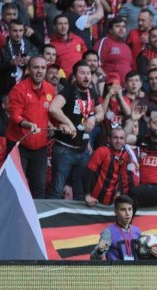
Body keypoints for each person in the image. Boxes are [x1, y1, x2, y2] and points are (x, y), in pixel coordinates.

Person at [48, 60, 104, 200]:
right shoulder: (68, 91)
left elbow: (101, 114)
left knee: (81, 192)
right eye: (82, 73)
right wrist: (68, 123)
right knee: (57, 190)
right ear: (75, 75)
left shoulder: (92, 92)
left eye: (89, 73)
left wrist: (93, 119)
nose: (86, 76)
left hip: (83, 150)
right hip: (64, 149)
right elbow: (53, 108)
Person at [6, 55, 56, 199]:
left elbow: (51, 114)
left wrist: (54, 125)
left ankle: (36, 220)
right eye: (36, 67)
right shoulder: (18, 89)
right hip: (18, 144)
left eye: (43, 67)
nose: (39, 71)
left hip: (40, 146)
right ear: (28, 70)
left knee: (39, 187)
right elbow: (15, 116)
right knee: (15, 186)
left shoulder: (50, 89)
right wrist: (29, 125)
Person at [90, 194, 157, 260]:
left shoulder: (137, 231)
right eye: (123, 210)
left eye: (130, 209)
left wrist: (155, 256)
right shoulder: (108, 232)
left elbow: (142, 257)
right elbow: (93, 259)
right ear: (116, 212)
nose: (127, 213)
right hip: (116, 273)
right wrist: (99, 251)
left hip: (134, 273)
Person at [129, 110, 157, 208]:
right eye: (154, 122)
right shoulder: (142, 139)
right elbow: (121, 138)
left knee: (132, 193)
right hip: (143, 187)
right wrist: (132, 120)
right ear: (148, 125)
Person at [83, 127, 138, 206]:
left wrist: (119, 194)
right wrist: (87, 196)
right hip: (94, 201)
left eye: (121, 138)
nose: (118, 141)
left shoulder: (126, 155)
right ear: (109, 139)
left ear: (125, 141)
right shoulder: (102, 151)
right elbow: (87, 173)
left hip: (112, 204)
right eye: (115, 138)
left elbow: (122, 178)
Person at [95, 17, 133, 84]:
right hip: (110, 86)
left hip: (126, 87)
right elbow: (95, 65)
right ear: (111, 30)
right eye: (117, 26)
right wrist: (107, 81)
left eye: (123, 27)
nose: (121, 29)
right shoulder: (104, 42)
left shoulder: (126, 46)